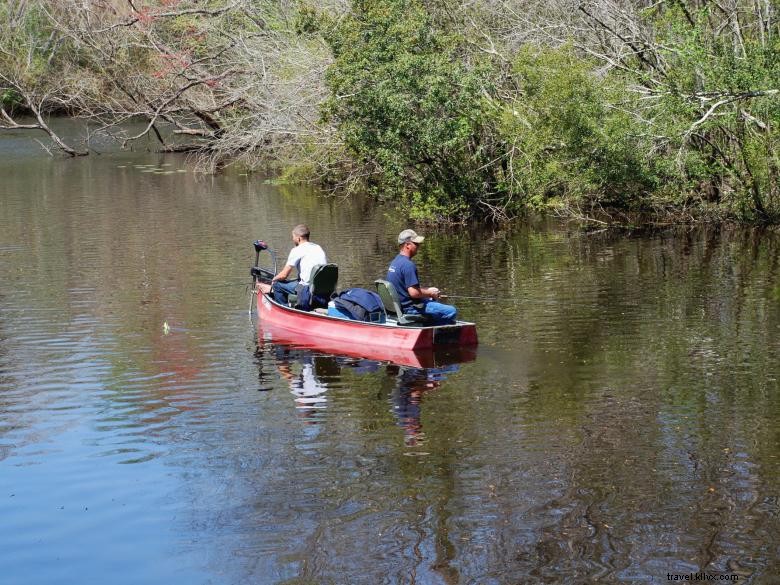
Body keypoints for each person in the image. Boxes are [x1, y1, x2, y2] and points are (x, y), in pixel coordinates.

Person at [386, 229, 457, 325]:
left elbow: (408, 289)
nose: (418, 246)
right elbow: (414, 293)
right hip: (411, 308)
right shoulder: (408, 265)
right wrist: (430, 293)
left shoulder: (395, 262)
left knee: (432, 301)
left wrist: (428, 291)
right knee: (451, 311)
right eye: (416, 244)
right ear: (407, 245)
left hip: (402, 306)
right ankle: (431, 332)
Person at [259, 224, 327, 305]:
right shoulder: (318, 248)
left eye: (293, 237)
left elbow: (284, 275)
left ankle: (284, 309)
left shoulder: (297, 250)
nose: (292, 239)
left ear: (298, 238)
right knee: (293, 281)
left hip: (307, 289)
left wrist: (273, 281)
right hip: (322, 289)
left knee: (277, 285)